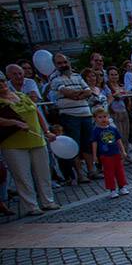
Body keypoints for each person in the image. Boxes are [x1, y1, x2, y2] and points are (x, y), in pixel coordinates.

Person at [0, 72, 60, 215]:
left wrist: (46, 131)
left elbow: (37, 112)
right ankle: (31, 206)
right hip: (14, 144)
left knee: (43, 172)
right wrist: (15, 122)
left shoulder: (21, 95)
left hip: (37, 139)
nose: (1, 85)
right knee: (23, 176)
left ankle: (48, 201)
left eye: (2, 81)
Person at [49, 52, 97, 184]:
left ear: (68, 62)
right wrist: (77, 94)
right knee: (74, 145)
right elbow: (67, 92)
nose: (63, 65)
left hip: (85, 113)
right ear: (55, 65)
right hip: (70, 116)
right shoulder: (54, 79)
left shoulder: (77, 76)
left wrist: (77, 95)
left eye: (65, 62)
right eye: (59, 63)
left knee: (87, 143)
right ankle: (80, 174)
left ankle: (91, 170)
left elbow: (88, 91)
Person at [90, 106, 129, 199]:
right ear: (95, 119)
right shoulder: (96, 131)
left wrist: (123, 151)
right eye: (100, 117)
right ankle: (112, 189)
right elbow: (94, 143)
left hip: (116, 153)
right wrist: (95, 156)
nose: (103, 119)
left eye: (104, 116)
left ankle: (122, 186)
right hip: (105, 155)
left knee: (120, 171)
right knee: (109, 172)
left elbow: (119, 140)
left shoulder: (113, 128)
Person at [105, 66, 132, 158]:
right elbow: (109, 99)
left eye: (115, 74)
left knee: (126, 134)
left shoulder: (121, 85)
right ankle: (120, 156)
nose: (114, 76)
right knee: (119, 135)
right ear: (108, 76)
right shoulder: (106, 87)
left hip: (124, 111)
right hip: (114, 112)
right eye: (111, 75)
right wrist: (116, 94)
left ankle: (126, 155)